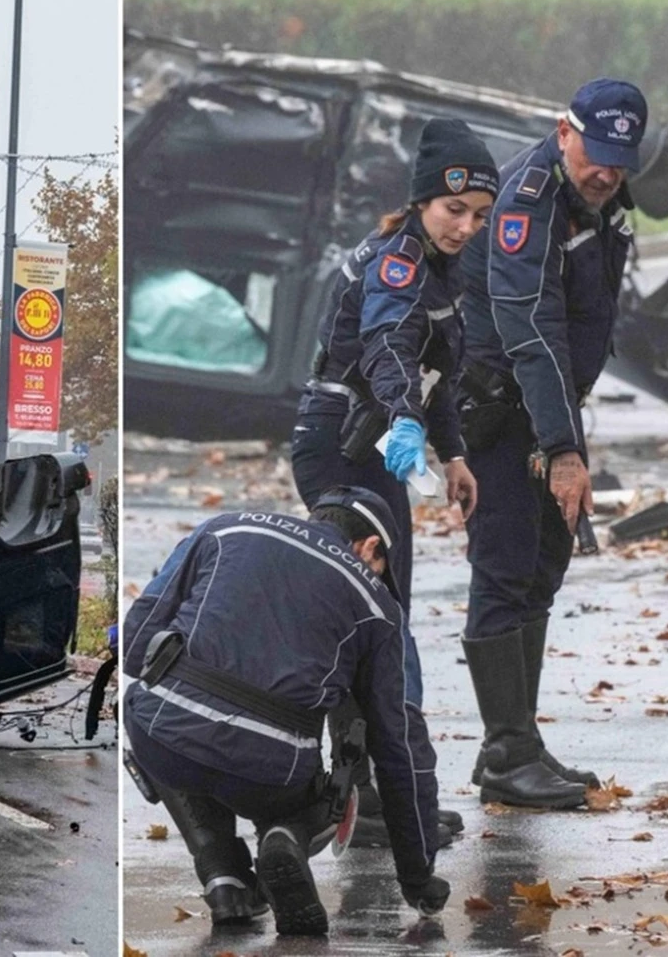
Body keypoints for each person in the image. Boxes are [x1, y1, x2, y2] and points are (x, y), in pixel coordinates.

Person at [290, 117, 499, 843]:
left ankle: (373, 795)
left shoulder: (438, 263)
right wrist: (405, 417)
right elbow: (389, 345)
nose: (466, 227)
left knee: (381, 621)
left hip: (375, 447)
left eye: (480, 215)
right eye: (454, 210)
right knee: (377, 625)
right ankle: (382, 800)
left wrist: (454, 452)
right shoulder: (399, 262)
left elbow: (437, 370)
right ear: (421, 201)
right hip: (344, 447)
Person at [123, 486, 450, 936]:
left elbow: (138, 637)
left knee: (159, 711)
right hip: (269, 774)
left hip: (163, 739)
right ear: (371, 546)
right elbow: (396, 747)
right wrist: (417, 876)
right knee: (338, 776)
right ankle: (288, 835)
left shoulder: (224, 529)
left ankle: (224, 877)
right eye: (381, 565)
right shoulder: (377, 605)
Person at [456, 78, 648, 809]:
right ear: (563, 132)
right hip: (501, 411)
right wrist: (563, 450)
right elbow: (532, 328)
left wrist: (564, 432)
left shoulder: (597, 200)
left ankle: (518, 744)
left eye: (620, 162)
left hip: (547, 408)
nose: (606, 173)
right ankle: (506, 754)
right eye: (595, 155)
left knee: (543, 564)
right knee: (504, 569)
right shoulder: (527, 203)